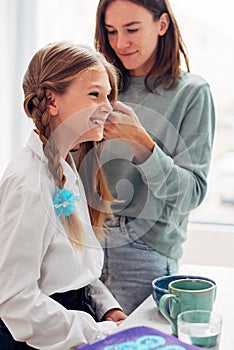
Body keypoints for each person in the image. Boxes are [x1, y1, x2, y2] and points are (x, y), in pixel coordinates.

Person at [0, 41, 127, 350]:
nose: (108, 108)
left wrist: (107, 309)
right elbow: (15, 301)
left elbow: (69, 271)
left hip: (69, 327)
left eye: (109, 96)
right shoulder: (28, 185)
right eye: (95, 94)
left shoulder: (66, 168)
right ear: (52, 101)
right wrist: (97, 332)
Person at [94, 0, 216, 314]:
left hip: (144, 253)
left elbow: (190, 194)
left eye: (132, 29)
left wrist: (141, 143)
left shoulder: (191, 93)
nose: (120, 43)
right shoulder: (101, 88)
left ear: (162, 25)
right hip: (87, 244)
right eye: (111, 31)